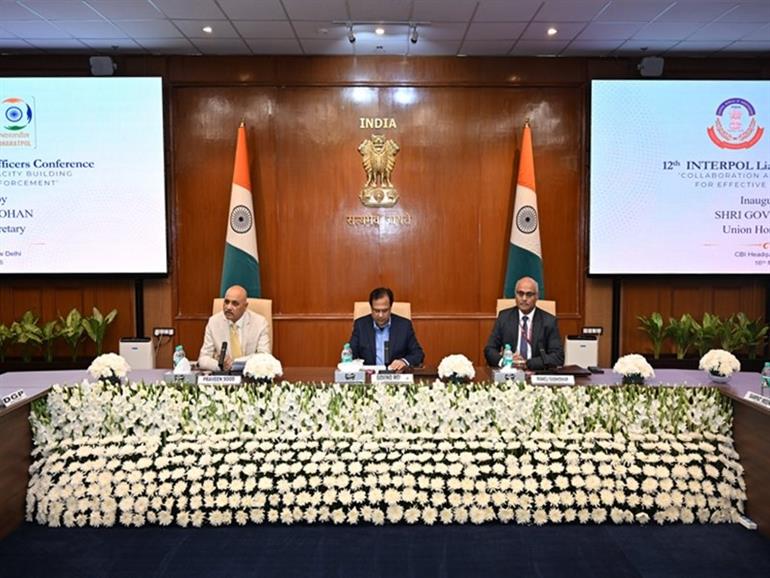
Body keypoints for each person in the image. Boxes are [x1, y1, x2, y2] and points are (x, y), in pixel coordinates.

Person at [484, 276, 564, 370]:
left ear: (537, 296)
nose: (524, 298)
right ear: (515, 295)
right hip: (510, 371)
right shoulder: (504, 317)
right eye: (520, 294)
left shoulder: (548, 321)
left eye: (529, 294)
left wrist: (528, 363)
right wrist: (505, 361)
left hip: (536, 371)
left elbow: (558, 357)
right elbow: (489, 349)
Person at [349, 287, 424, 372]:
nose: (380, 315)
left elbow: (418, 354)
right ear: (371, 308)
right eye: (376, 311)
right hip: (369, 376)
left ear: (391, 307)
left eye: (385, 311)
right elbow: (350, 354)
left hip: (395, 374)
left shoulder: (404, 325)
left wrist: (403, 361)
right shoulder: (360, 325)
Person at [197, 284, 270, 371]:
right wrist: (220, 365)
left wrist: (235, 363)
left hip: (249, 374)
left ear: (245, 306)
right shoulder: (213, 322)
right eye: (226, 302)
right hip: (224, 375)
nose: (228, 307)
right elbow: (203, 359)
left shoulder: (260, 323)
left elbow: (264, 357)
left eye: (235, 304)